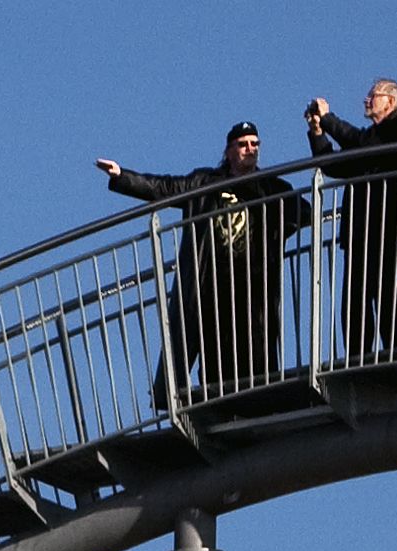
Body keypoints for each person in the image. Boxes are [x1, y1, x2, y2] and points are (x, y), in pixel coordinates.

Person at [99, 123, 301, 399]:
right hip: (212, 281)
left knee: (255, 346)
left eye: (255, 144)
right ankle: (219, 403)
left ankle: (259, 400)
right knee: (215, 347)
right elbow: (165, 187)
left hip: (253, 281)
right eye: (243, 144)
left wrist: (277, 233)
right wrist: (122, 176)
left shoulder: (272, 186)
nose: (250, 149)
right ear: (229, 151)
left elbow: (301, 211)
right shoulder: (206, 182)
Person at [307, 77, 397, 366]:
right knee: (355, 293)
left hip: (384, 221)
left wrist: (329, 118)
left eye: (374, 95)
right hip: (360, 225)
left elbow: (357, 141)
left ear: (391, 101)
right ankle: (359, 356)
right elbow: (336, 164)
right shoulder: (372, 137)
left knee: (382, 285)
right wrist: (318, 132)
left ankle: (394, 351)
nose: (367, 99)